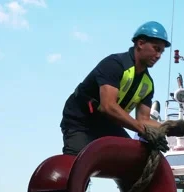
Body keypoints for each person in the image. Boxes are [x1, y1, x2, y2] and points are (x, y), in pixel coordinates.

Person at [59, 21, 171, 156]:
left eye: (162, 52)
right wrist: (144, 131)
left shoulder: (147, 84)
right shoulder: (114, 64)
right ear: (140, 44)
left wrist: (173, 128)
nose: (159, 56)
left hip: (108, 124)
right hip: (81, 120)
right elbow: (108, 106)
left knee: (133, 159)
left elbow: (144, 120)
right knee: (76, 164)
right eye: (156, 49)